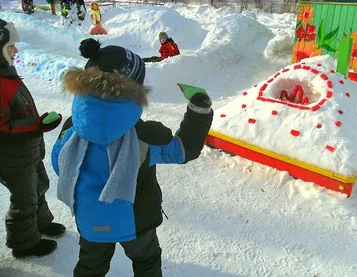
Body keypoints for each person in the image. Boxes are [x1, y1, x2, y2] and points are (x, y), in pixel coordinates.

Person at [51, 38, 213, 277]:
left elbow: (59, 165)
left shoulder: (71, 130)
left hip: (90, 221)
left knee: (90, 266)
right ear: (133, 92)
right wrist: (199, 112)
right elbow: (183, 149)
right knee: (147, 263)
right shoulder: (144, 137)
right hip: (137, 224)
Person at [0, 19, 65, 258]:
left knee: (38, 187)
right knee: (24, 199)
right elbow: (3, 128)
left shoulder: (6, 75)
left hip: (27, 152)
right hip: (12, 158)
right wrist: (37, 125)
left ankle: (41, 223)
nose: (15, 51)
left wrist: (39, 124)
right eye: (10, 47)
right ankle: (24, 243)